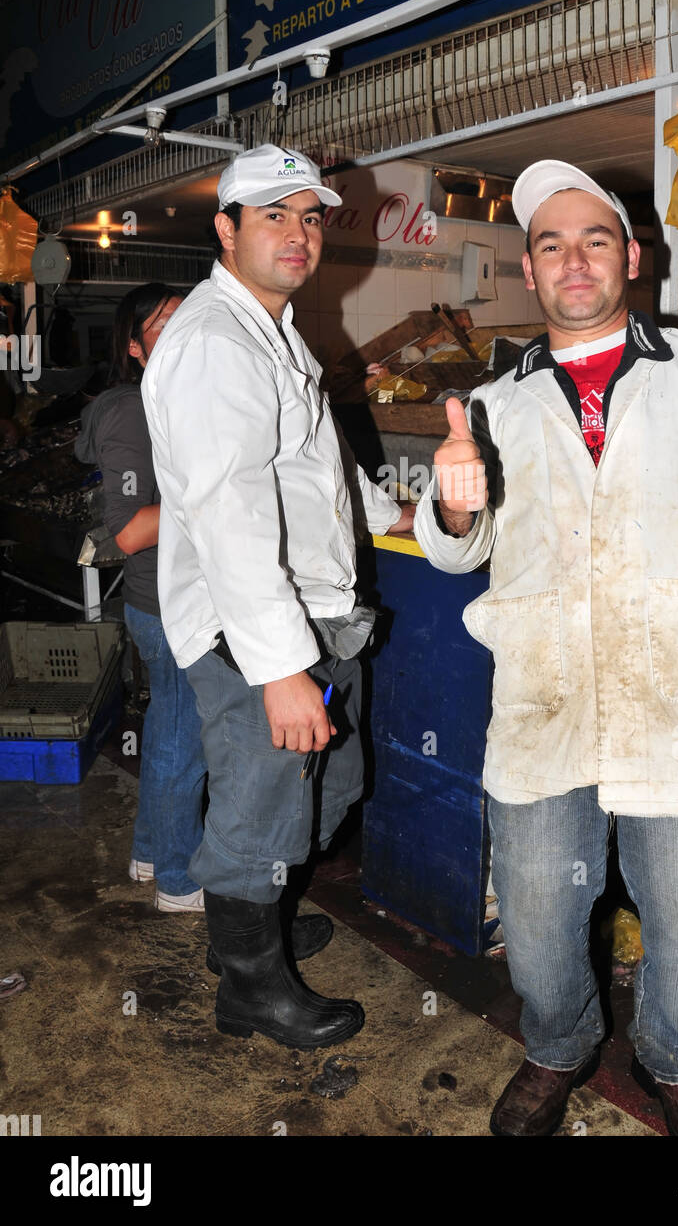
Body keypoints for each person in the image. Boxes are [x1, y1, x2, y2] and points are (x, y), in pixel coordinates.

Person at [413, 159, 678, 1137]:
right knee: (534, 930)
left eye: (593, 238)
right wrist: (448, 502)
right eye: (551, 243)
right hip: (544, 708)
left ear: (630, 257)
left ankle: (674, 1059)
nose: (572, 259)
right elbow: (455, 549)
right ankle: (557, 1045)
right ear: (528, 268)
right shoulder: (494, 402)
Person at [141, 143, 414, 1051]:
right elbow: (230, 515)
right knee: (262, 806)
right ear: (226, 228)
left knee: (329, 784)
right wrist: (282, 668)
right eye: (273, 216)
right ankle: (248, 985)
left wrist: (393, 510)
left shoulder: (275, 327)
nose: (298, 236)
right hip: (256, 628)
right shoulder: (216, 341)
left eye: (310, 217)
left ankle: (250, 922)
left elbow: (310, 472)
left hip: (312, 612)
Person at [75, 284, 207, 911]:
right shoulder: (131, 408)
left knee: (168, 730)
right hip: (166, 601)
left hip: (164, 599)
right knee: (187, 737)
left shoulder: (166, 401)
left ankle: (153, 853)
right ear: (134, 347)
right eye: (162, 327)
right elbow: (129, 530)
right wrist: (218, 492)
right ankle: (182, 881)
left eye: (188, 319)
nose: (181, 333)